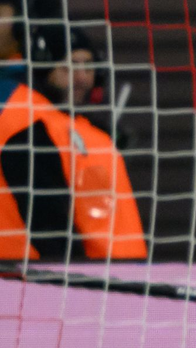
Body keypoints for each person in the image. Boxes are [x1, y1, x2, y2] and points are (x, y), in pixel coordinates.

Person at [0, 13, 146, 261]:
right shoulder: (34, 129)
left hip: (123, 271)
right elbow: (48, 223)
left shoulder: (88, 131)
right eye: (69, 65)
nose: (81, 77)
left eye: (87, 65)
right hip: (81, 280)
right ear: (46, 69)